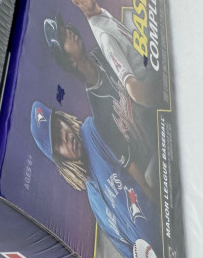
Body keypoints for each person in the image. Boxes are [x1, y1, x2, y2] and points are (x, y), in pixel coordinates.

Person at [29, 100, 158, 258]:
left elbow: (141, 169)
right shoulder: (94, 201)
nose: (65, 136)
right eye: (58, 142)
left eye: (59, 126)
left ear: (64, 120)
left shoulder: (93, 132)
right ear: (59, 159)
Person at [43, 14, 157, 184]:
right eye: (63, 36)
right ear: (70, 61)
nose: (68, 31)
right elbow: (134, 169)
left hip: (161, 102)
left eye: (64, 28)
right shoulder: (99, 115)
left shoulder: (106, 48)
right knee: (151, 178)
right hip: (158, 151)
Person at [53, 0, 158, 108]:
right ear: (76, 1)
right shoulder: (104, 36)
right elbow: (134, 90)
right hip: (155, 80)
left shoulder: (101, 15)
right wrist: (161, 95)